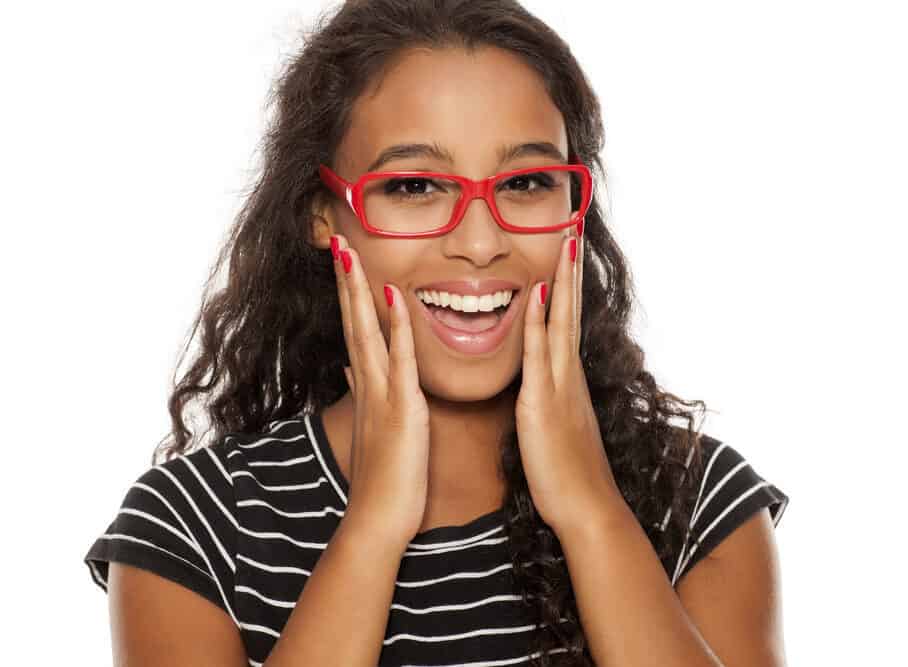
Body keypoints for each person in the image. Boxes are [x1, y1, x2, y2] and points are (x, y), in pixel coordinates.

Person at [83, 1, 790, 665]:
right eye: (415, 187)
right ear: (324, 214)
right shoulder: (191, 529)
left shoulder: (696, 499)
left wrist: (591, 511)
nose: (480, 243)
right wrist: (372, 528)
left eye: (525, 182)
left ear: (574, 204)